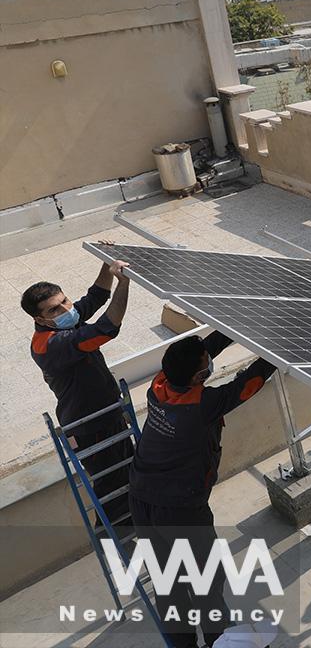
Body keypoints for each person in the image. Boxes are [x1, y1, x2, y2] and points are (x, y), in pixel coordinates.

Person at [127, 331, 276, 648]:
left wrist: (230, 329)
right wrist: (278, 347)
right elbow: (250, 383)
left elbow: (199, 353)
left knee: (169, 581)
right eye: (206, 365)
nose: (210, 364)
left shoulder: (159, 386)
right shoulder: (202, 405)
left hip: (141, 496)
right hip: (179, 508)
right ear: (198, 376)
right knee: (207, 580)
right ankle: (219, 641)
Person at [23, 256, 133, 529]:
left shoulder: (64, 321)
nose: (65, 309)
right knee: (113, 490)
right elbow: (107, 328)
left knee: (130, 478)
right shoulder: (50, 344)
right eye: (54, 309)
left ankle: (139, 526)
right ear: (40, 319)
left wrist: (107, 264)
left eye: (64, 301)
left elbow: (94, 297)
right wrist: (124, 284)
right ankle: (117, 542)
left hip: (108, 415)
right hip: (90, 428)